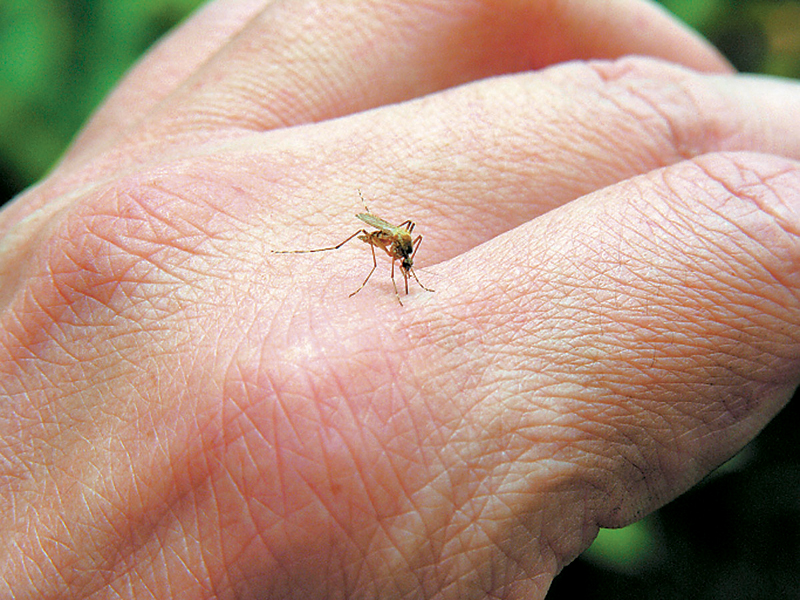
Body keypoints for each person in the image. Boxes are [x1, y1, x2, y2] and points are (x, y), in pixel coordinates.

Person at [1, 0, 798, 597]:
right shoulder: (381, 242)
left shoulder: (406, 242)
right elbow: (380, 239)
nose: (402, 255)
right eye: (402, 252)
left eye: (404, 252)